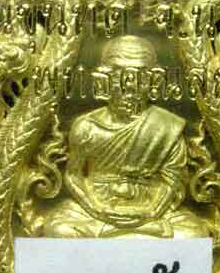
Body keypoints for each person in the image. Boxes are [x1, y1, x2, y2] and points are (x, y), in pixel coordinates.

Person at [43, 35, 208, 238]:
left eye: (139, 76)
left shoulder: (167, 126)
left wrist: (151, 212)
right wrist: (96, 209)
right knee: (58, 230)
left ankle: (119, 234)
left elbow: (172, 182)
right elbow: (73, 175)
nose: (129, 85)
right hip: (95, 210)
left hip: (151, 210)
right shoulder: (86, 126)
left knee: (194, 234)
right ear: (103, 80)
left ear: (154, 80)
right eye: (118, 75)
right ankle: (126, 234)